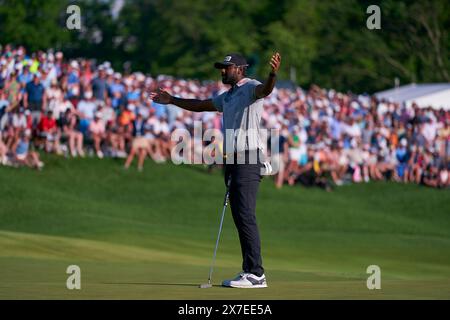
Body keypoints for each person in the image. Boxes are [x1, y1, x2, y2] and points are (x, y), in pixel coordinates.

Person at [150, 52, 281, 288]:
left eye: (227, 68)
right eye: (222, 67)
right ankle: (249, 270)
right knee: (239, 216)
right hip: (232, 162)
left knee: (246, 215)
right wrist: (172, 100)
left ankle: (257, 273)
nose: (222, 71)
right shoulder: (227, 97)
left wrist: (272, 74)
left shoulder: (251, 87)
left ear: (240, 69)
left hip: (249, 159)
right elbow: (201, 105)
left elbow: (266, 91)